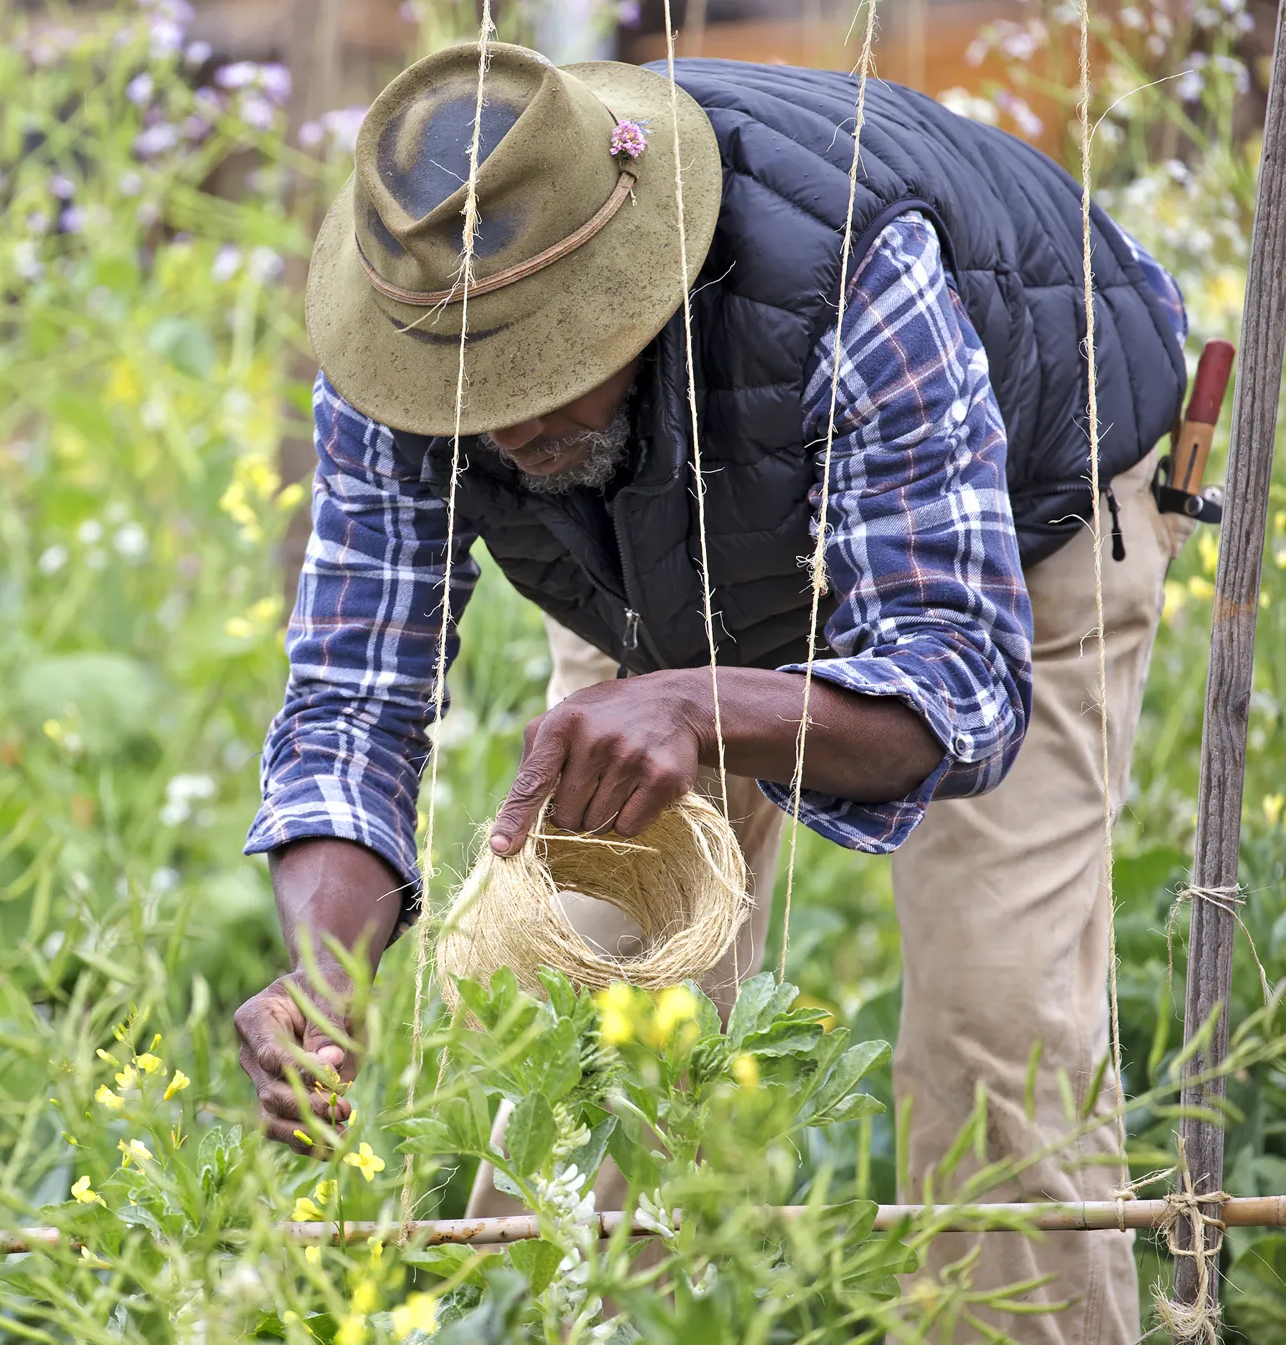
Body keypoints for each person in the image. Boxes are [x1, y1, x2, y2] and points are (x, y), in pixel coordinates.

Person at [233, 42, 1194, 1344]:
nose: (508, 421)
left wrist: (697, 709)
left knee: (997, 1031)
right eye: (478, 393)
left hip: (1017, 525)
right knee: (585, 1007)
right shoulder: (405, 338)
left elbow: (953, 686)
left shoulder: (855, 266)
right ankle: (580, 1321)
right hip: (654, 562)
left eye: (544, 364)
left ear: (642, 284)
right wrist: (327, 977)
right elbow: (356, 689)